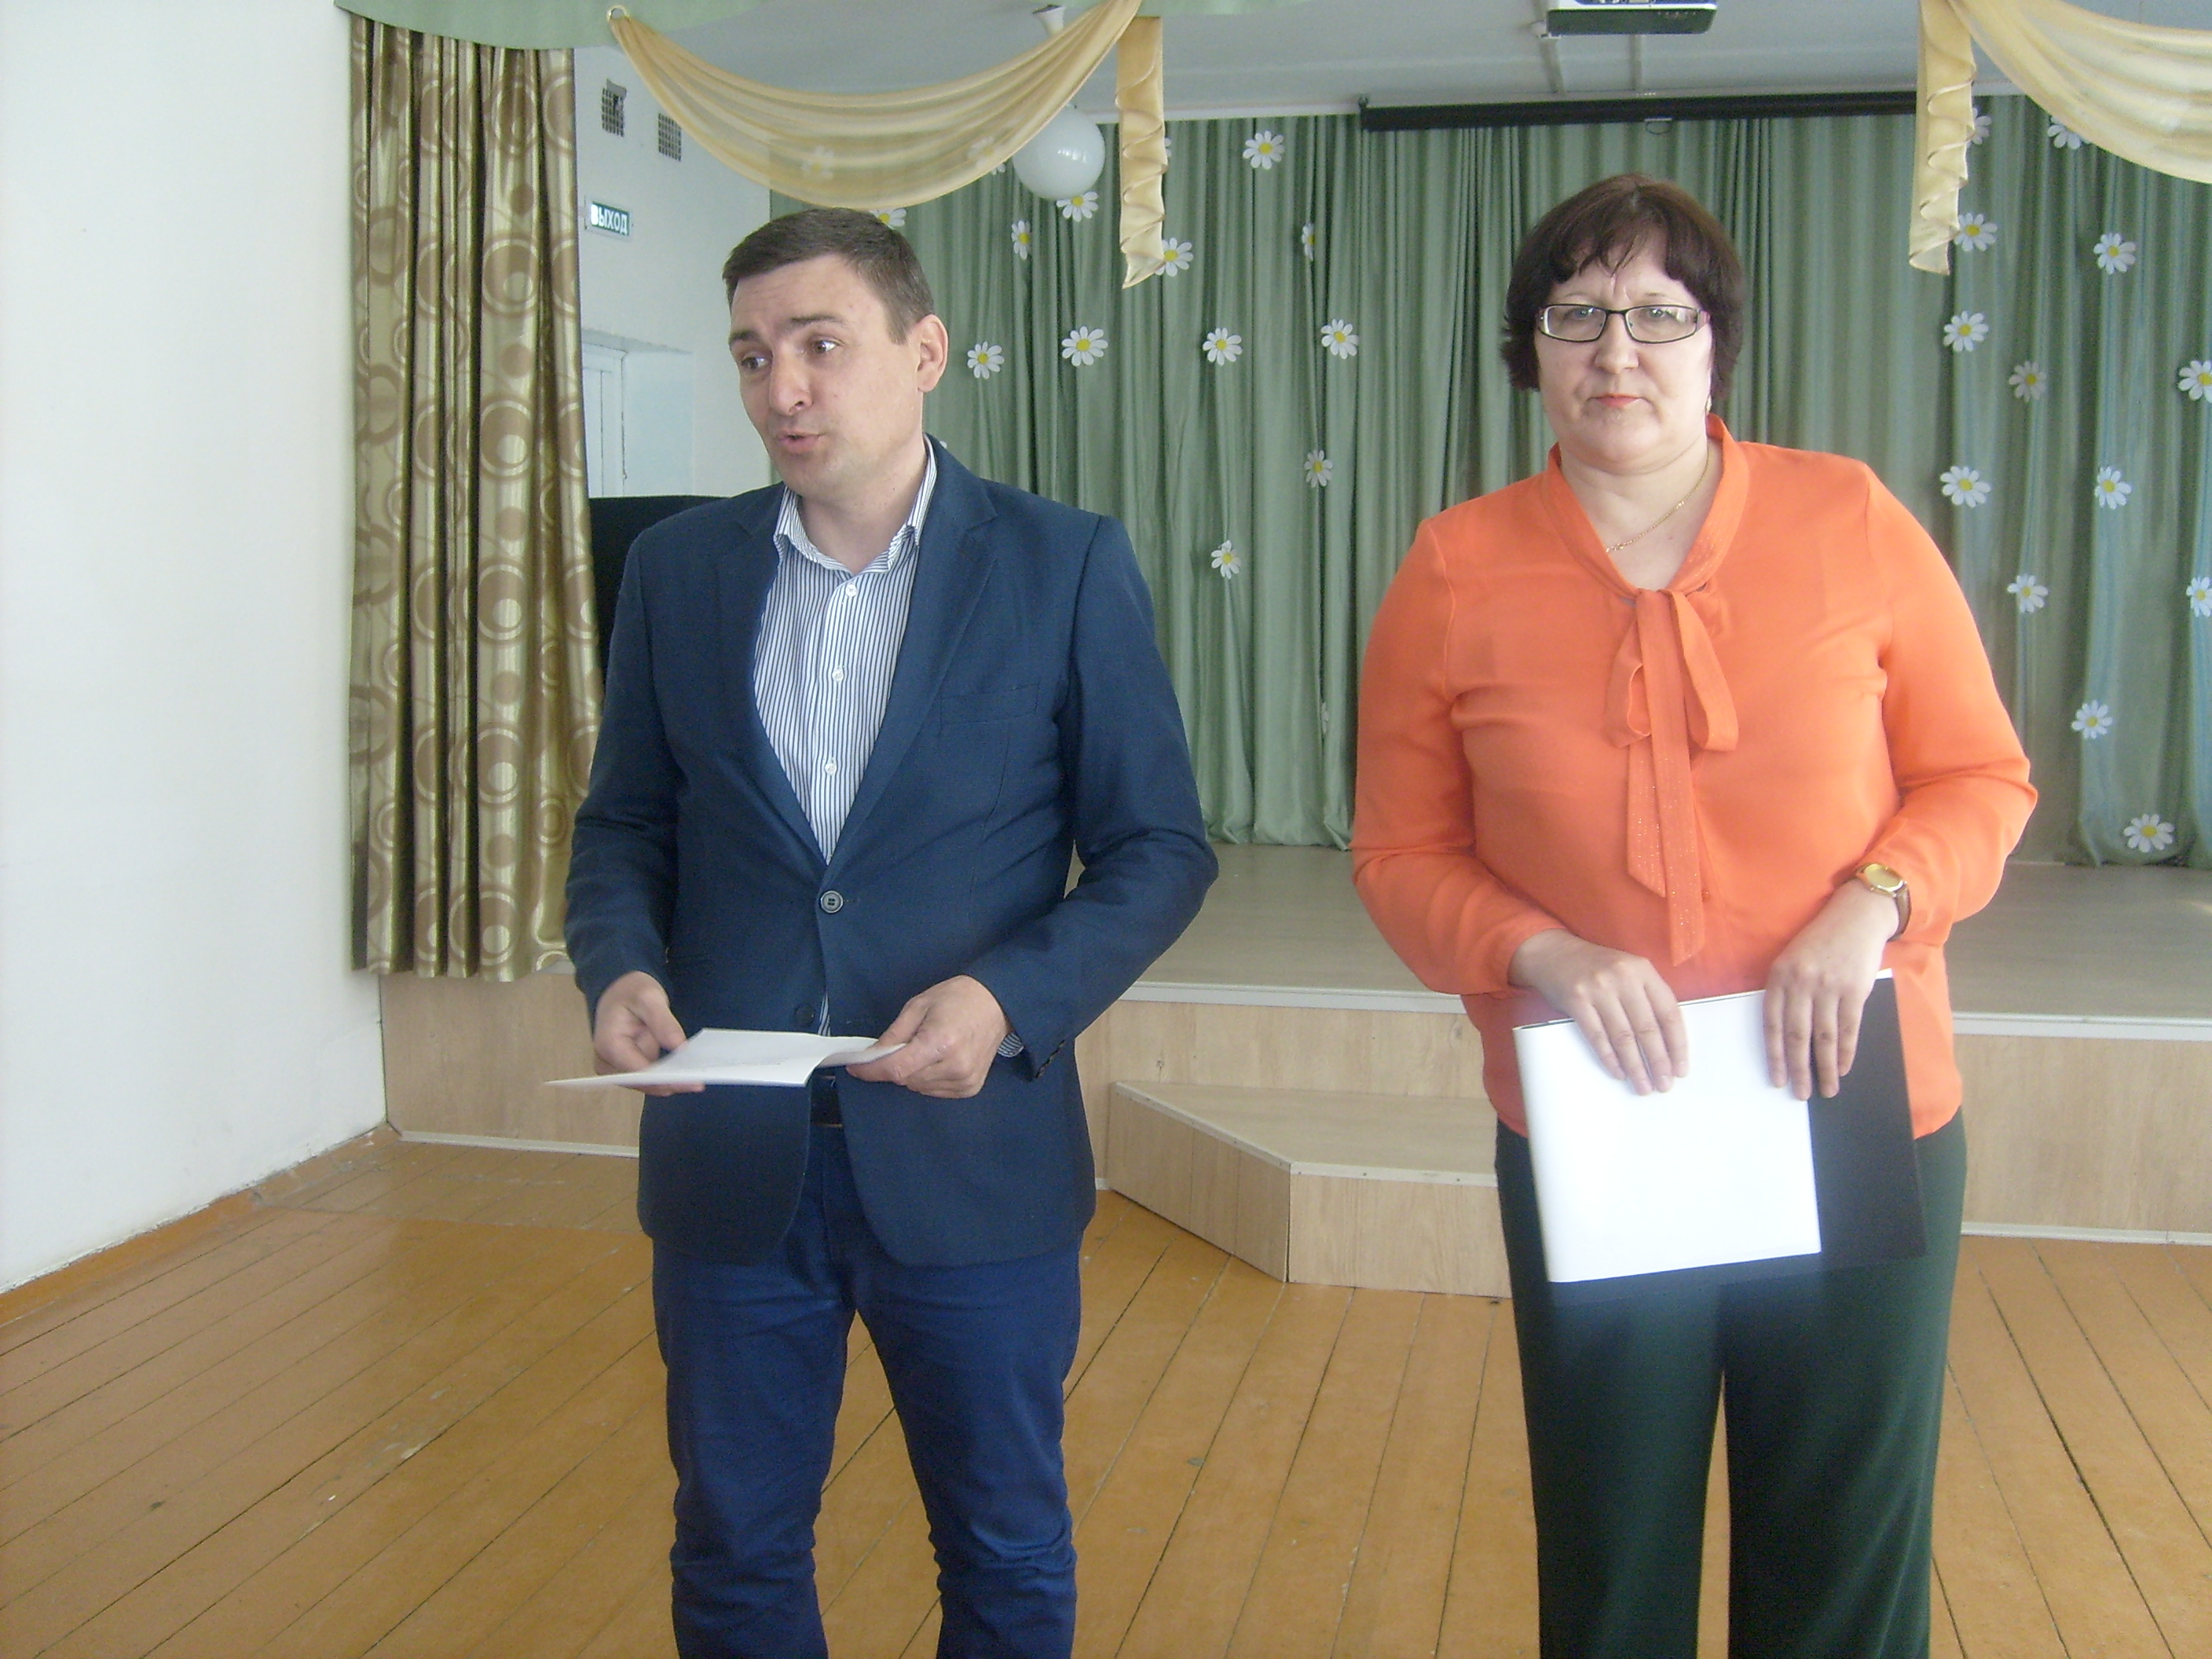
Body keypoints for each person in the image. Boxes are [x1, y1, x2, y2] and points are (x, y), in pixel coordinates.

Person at [1350, 174, 2035, 1658]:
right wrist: (1543, 950)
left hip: (1849, 1098)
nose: (1619, 352)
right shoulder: (1454, 567)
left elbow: (1981, 779)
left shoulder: (1849, 518)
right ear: (1529, 348)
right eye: (1578, 315)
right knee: (1613, 1547)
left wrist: (1874, 905)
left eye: (1661, 315)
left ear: (1716, 343)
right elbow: (1401, 856)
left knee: (1843, 1553)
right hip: (1605, 1114)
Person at [566, 207, 1215, 1659]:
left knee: (1002, 1545)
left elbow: (1160, 850)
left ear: (925, 352)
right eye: (752, 355)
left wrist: (1008, 995)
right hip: (733, 1162)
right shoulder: (677, 571)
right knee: (734, 1544)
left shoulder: (1059, 563)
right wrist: (620, 965)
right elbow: (624, 827)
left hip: (970, 1159)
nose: (782, 388)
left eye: (820, 344)